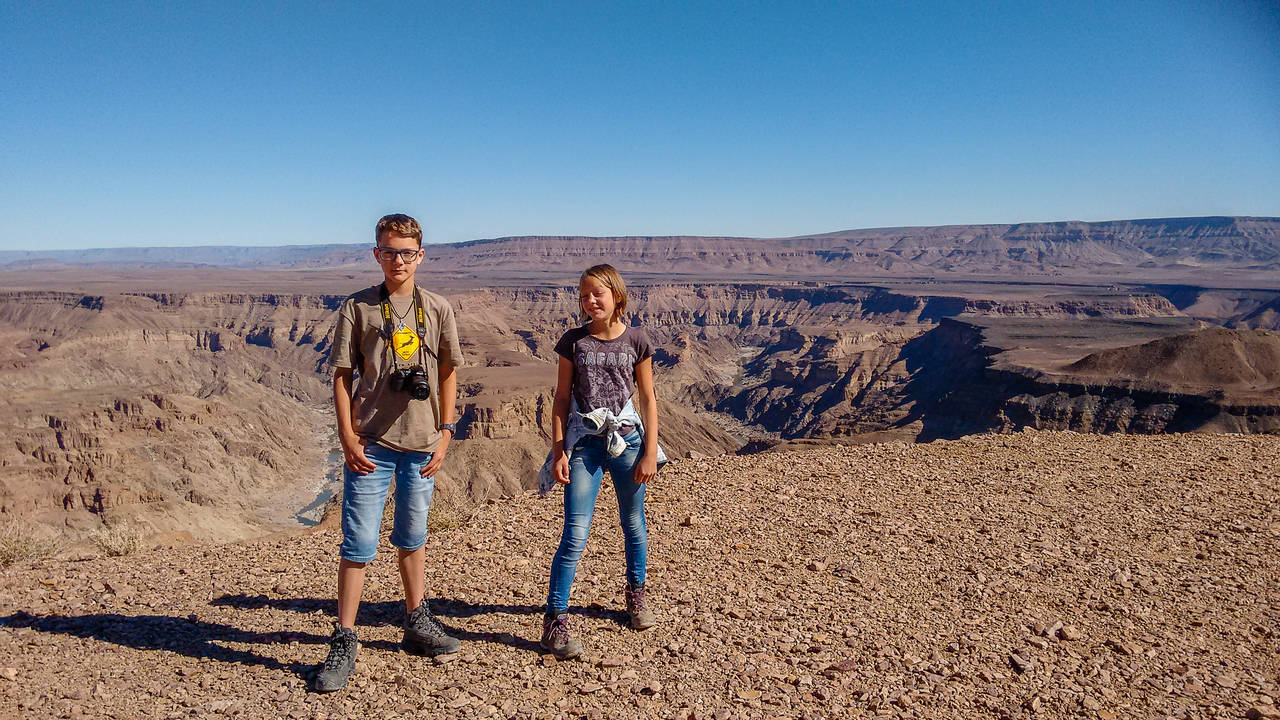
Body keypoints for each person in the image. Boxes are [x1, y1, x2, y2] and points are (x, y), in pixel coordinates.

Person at [315, 213, 463, 692]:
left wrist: (445, 432)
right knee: (358, 542)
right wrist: (347, 435)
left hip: (423, 444)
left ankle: (416, 621)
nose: (397, 260)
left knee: (413, 536)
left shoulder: (438, 308)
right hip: (372, 444)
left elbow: (447, 373)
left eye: (406, 252)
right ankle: (344, 637)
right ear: (376, 254)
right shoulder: (357, 308)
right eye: (388, 251)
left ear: (421, 255)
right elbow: (341, 374)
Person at [537, 264, 666, 660]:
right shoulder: (573, 342)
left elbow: (647, 398)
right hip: (585, 444)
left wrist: (649, 451)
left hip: (627, 440)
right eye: (584, 295)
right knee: (575, 531)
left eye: (598, 294)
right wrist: (559, 450)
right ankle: (555, 619)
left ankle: (637, 596)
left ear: (617, 296)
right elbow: (561, 399)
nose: (590, 301)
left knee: (634, 524)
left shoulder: (637, 340)